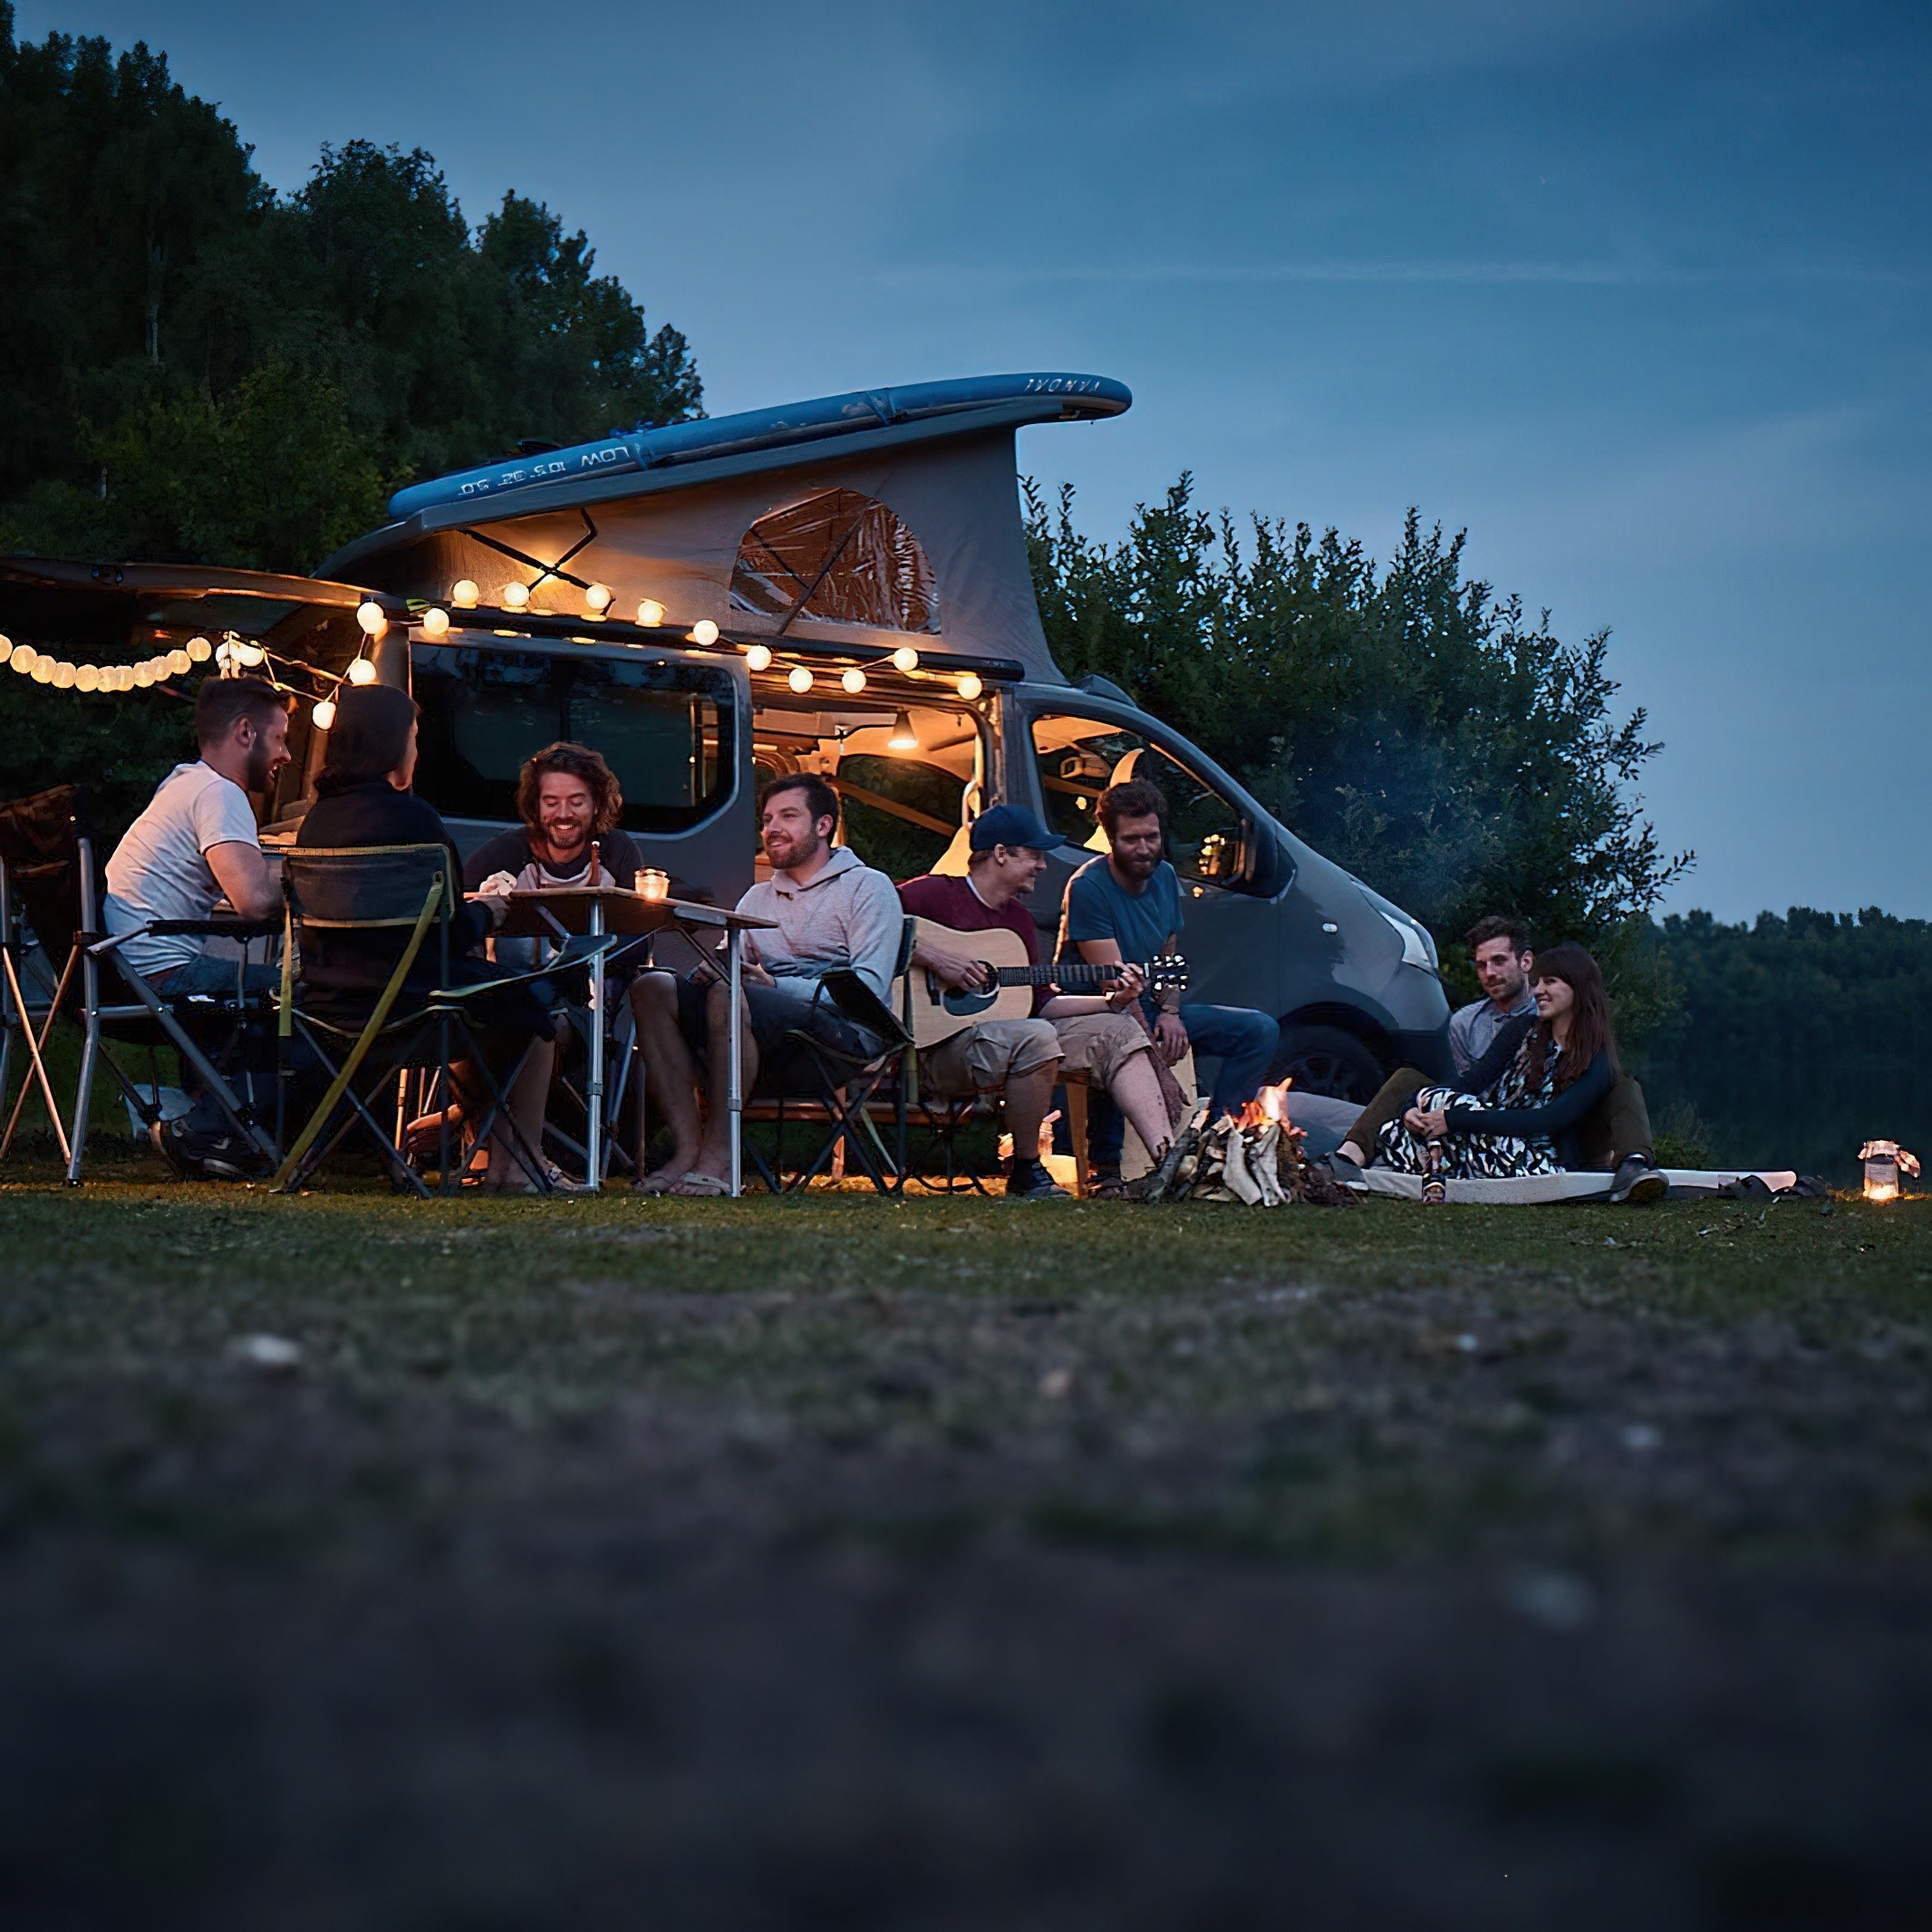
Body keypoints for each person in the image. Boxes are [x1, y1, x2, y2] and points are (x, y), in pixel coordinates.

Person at [295, 682, 565, 1192]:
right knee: (532, 1005)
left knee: (493, 1002)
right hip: (410, 1010)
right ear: (391, 745)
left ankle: (482, 1150)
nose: (417, 752)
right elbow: (447, 935)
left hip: (327, 1009)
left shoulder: (316, 824)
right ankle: (516, 1167)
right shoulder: (414, 819)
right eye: (413, 739)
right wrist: (488, 912)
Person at [631, 773, 902, 1195]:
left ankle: (721, 1160)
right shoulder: (757, 897)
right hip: (756, 1030)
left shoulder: (867, 887)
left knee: (728, 991)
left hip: (841, 1037)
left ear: (823, 825)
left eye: (788, 816)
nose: (772, 828)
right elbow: (732, 964)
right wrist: (711, 968)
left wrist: (770, 984)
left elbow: (866, 990)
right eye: (768, 818)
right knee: (653, 987)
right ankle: (687, 1151)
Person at [897, 804, 1178, 1200]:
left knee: (1118, 1028)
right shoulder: (933, 894)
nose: (1043, 866)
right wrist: (937, 958)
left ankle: (1170, 1167)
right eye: (1034, 854)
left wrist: (1114, 1001)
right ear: (1000, 853)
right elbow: (868, 924)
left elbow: (1042, 1002)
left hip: (1007, 1040)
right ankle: (1028, 1171)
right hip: (936, 1049)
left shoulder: (1018, 921)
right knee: (1035, 1037)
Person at [1058, 778, 1279, 1192]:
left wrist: (1173, 1011)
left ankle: (1213, 1147)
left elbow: (1169, 951)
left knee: (1258, 1030)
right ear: (1111, 839)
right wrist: (1159, 1069)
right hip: (1098, 1010)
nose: (1144, 849)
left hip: (1151, 1005)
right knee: (1120, 1039)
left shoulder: (1164, 876)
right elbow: (1116, 989)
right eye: (1131, 840)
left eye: (1152, 837)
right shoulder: (1088, 888)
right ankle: (1105, 1168)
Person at [1329, 941, 1666, 1203]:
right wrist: (1413, 1109)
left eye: (1550, 981)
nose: (1537, 991)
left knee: (1626, 1086)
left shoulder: (1597, 1059)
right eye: (1536, 982)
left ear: (1578, 988)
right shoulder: (1523, 1030)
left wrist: (1452, 1118)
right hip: (1491, 1130)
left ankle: (1633, 1168)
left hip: (1540, 1154)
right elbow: (1471, 1083)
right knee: (1412, 1083)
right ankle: (1348, 1158)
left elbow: (1549, 1120)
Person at [104, 675, 289, 990]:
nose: (286, 754)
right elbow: (255, 902)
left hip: (121, 972)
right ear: (246, 732)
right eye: (278, 738)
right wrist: (319, 882)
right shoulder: (220, 793)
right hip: (162, 980)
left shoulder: (186, 782)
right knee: (304, 994)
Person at [463, 741, 643, 899]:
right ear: (536, 805)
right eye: (551, 803)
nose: (563, 814)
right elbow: (460, 916)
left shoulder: (618, 851)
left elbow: (640, 929)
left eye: (576, 802)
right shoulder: (507, 852)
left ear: (596, 804)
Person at [1451, 914, 1538, 1073]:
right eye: (1481, 966)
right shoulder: (1465, 1024)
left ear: (1525, 962)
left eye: (1499, 961)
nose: (1489, 973)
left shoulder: (1552, 1013)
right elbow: (1465, 1090)